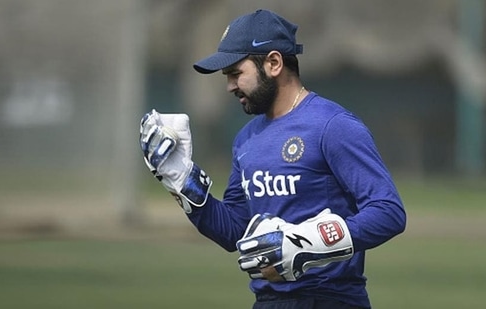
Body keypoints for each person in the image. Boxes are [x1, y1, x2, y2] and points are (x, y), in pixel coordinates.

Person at [139, 9, 406, 309]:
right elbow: (235, 230)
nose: (229, 86)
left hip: (332, 300)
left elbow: (388, 212)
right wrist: (181, 181)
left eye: (236, 73)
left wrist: (307, 245)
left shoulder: (333, 126)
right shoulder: (246, 140)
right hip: (267, 302)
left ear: (274, 63)